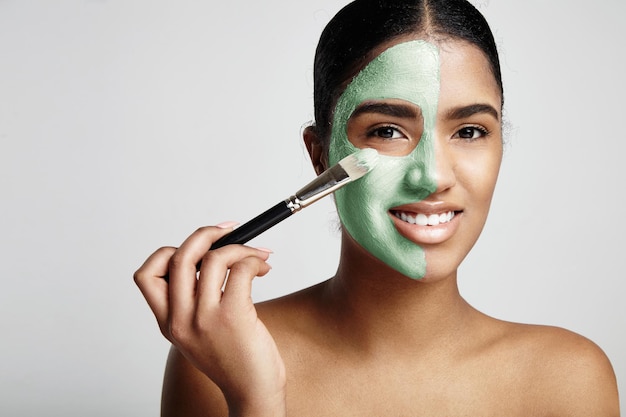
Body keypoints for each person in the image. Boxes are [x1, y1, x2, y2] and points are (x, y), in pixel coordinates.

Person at [134, 0, 620, 416]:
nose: (433, 176)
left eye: (469, 131)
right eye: (387, 130)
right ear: (319, 155)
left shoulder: (567, 379)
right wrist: (256, 398)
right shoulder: (219, 358)